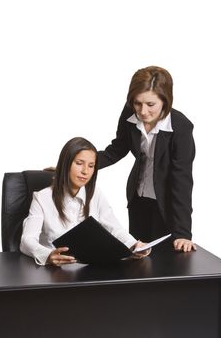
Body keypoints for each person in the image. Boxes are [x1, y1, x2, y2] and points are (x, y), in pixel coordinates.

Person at [98, 66, 196, 252]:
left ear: (165, 101)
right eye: (137, 103)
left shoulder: (181, 128)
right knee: (137, 256)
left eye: (150, 104)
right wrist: (74, 164)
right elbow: (117, 149)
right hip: (138, 197)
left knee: (164, 261)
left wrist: (183, 233)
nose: (142, 111)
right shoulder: (129, 114)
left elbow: (182, 180)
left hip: (166, 204)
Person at [20, 137, 150, 266]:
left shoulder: (96, 194)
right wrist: (48, 255)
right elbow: (27, 240)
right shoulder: (42, 198)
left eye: (91, 166)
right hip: (55, 272)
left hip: (90, 269)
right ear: (66, 163)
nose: (85, 171)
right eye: (79, 163)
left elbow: (114, 229)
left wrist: (134, 245)